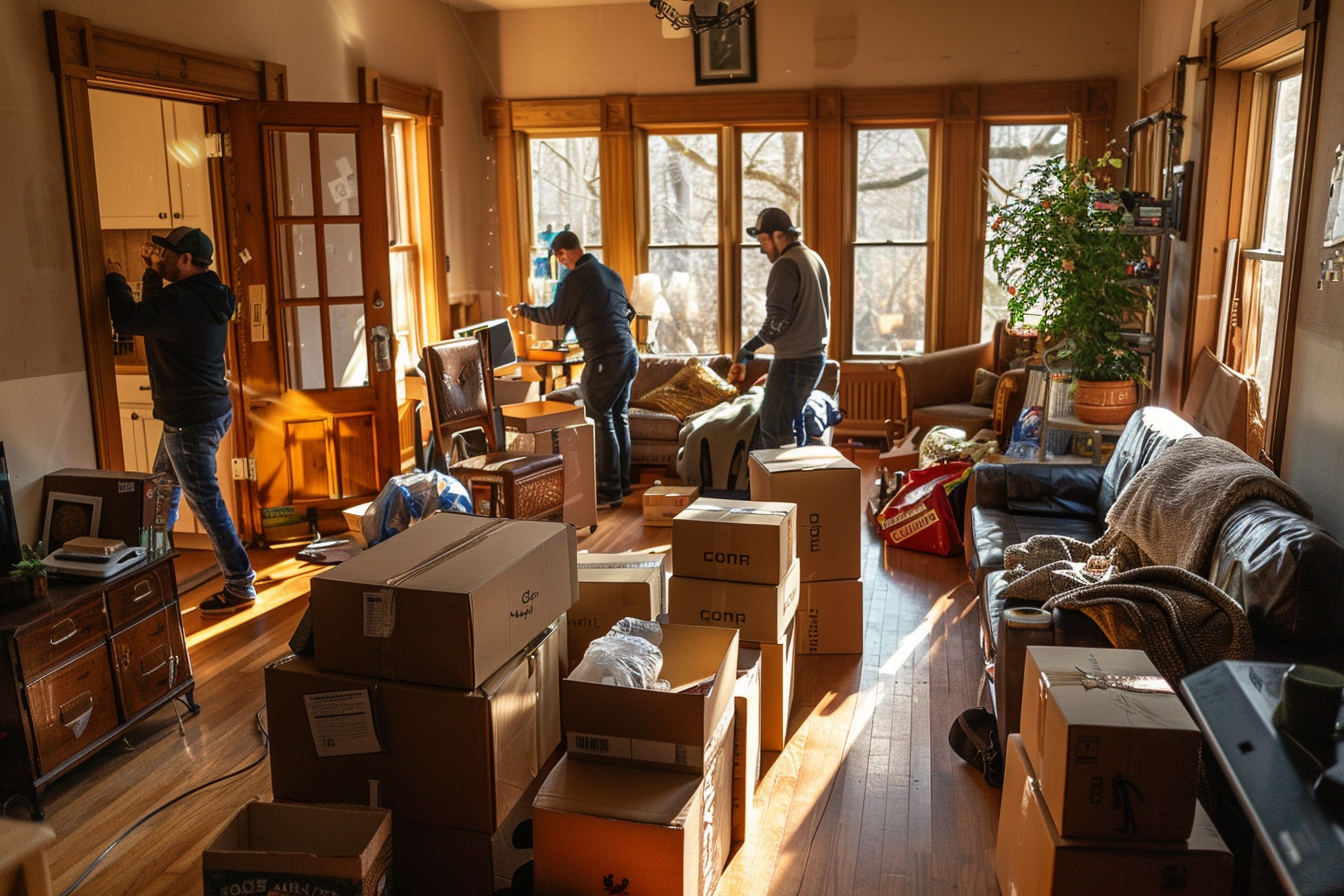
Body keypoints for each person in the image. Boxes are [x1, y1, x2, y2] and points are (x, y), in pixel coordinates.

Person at [105, 226, 257, 615]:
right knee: (161, 495)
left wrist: (115, 276)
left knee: (203, 504)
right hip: (207, 413)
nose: (161, 257)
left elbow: (129, 319)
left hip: (189, 422)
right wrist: (153, 273)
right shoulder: (208, 294)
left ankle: (240, 584)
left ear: (186, 260)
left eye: (167, 254)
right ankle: (149, 574)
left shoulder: (182, 302)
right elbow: (156, 316)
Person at [510, 231, 639, 509]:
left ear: (562, 254)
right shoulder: (609, 273)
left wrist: (525, 310)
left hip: (605, 358)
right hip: (629, 353)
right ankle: (622, 485)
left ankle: (608, 493)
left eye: (560, 258)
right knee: (619, 417)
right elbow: (628, 311)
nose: (562, 263)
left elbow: (557, 316)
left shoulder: (575, 277)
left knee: (602, 420)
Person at [730, 207, 831, 450]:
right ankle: (794, 486)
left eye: (764, 240)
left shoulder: (785, 265)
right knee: (791, 427)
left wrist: (747, 349)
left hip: (793, 362)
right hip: (814, 358)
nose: (763, 249)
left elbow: (777, 322)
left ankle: (781, 487)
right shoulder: (813, 258)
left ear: (778, 235)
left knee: (774, 429)